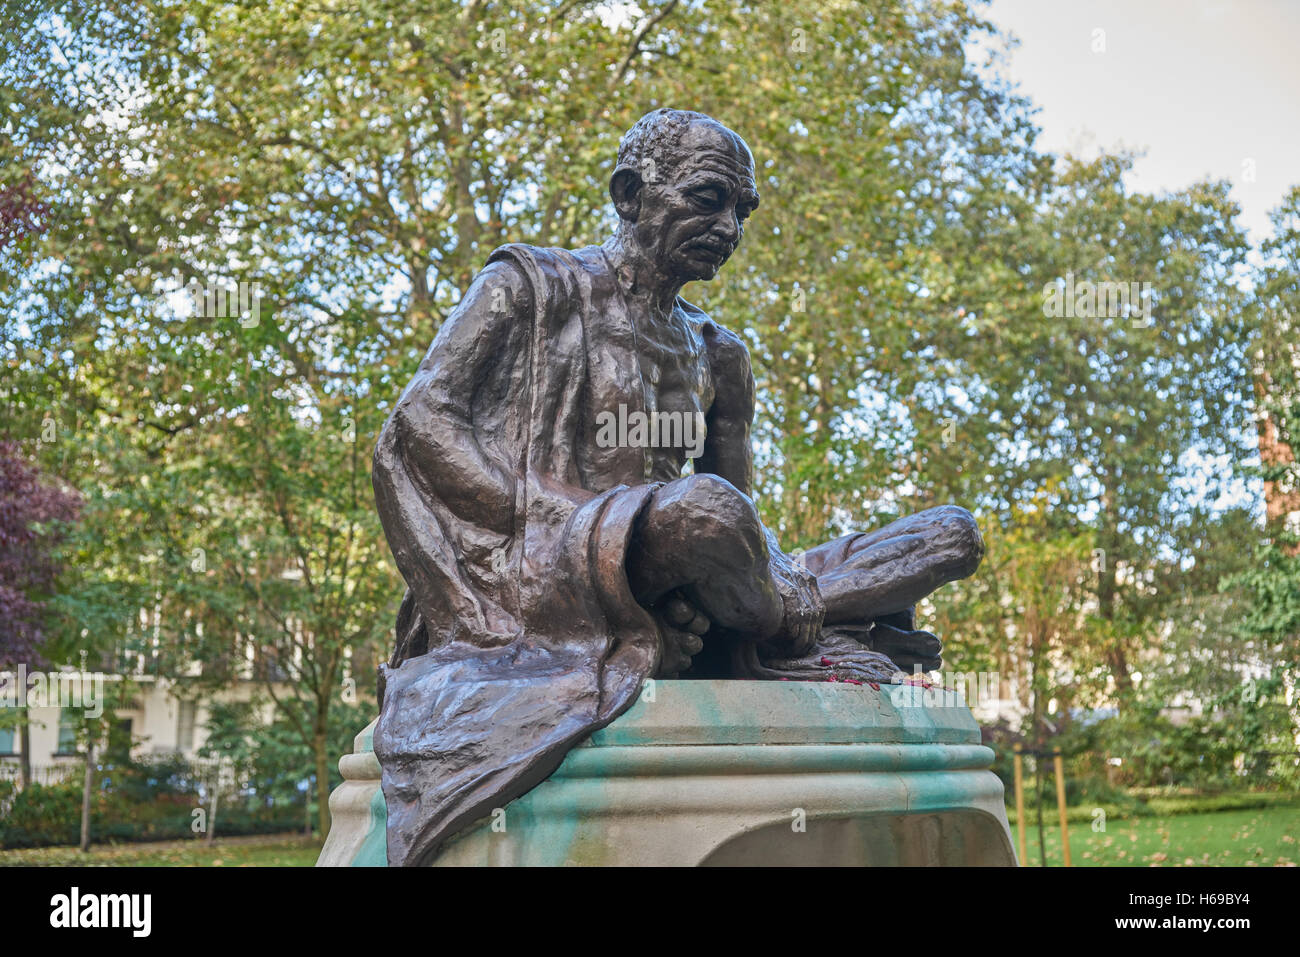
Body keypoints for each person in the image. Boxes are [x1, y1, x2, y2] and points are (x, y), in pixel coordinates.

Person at [371, 109, 984, 865]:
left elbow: (747, 524)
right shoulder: (528, 287)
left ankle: (777, 610)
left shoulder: (720, 353)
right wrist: (569, 529)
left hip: (702, 562)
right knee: (708, 515)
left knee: (951, 533)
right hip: (550, 556)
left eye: (742, 210)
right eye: (707, 199)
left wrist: (731, 581)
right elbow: (419, 427)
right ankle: (785, 615)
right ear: (630, 194)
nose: (728, 226)